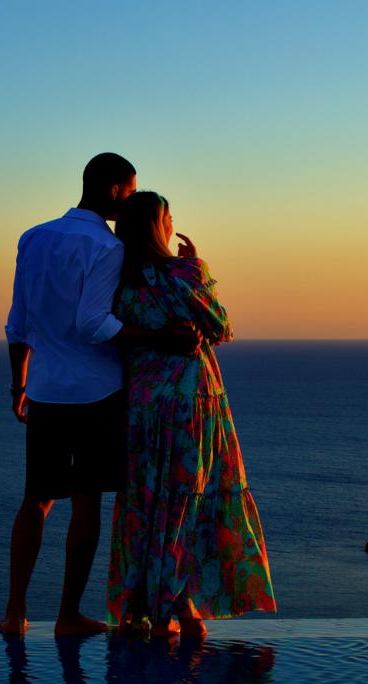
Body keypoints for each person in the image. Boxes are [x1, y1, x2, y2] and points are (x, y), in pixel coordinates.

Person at [0, 154, 194, 637]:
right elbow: (93, 324)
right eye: (131, 191)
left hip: (45, 390)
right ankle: (67, 615)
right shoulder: (106, 247)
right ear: (113, 190)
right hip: (96, 393)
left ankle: (15, 612)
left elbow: (17, 323)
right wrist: (161, 337)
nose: (133, 200)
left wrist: (19, 384)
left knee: (36, 500)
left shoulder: (33, 237)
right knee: (85, 504)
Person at [107, 190, 277, 639]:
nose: (172, 222)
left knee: (149, 503)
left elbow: (115, 337)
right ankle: (186, 610)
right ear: (158, 226)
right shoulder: (185, 272)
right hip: (191, 406)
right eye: (168, 217)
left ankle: (150, 607)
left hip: (143, 409)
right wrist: (202, 270)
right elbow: (222, 327)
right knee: (189, 504)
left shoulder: (121, 286)